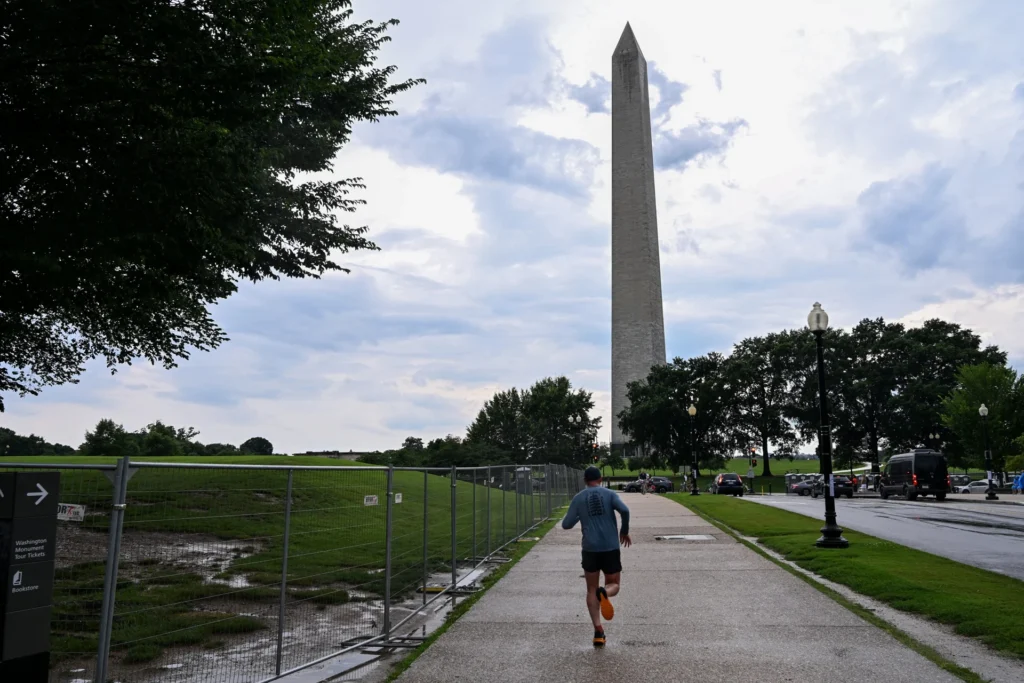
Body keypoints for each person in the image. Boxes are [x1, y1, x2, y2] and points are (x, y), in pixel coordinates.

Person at [561, 465, 631, 648]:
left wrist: (580, 515)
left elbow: (566, 524)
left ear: (585, 480)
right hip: (610, 547)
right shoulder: (610, 494)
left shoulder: (578, 498)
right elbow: (625, 511)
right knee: (614, 584)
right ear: (600, 479)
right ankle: (605, 593)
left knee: (591, 589)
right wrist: (624, 531)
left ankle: (598, 632)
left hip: (590, 548)